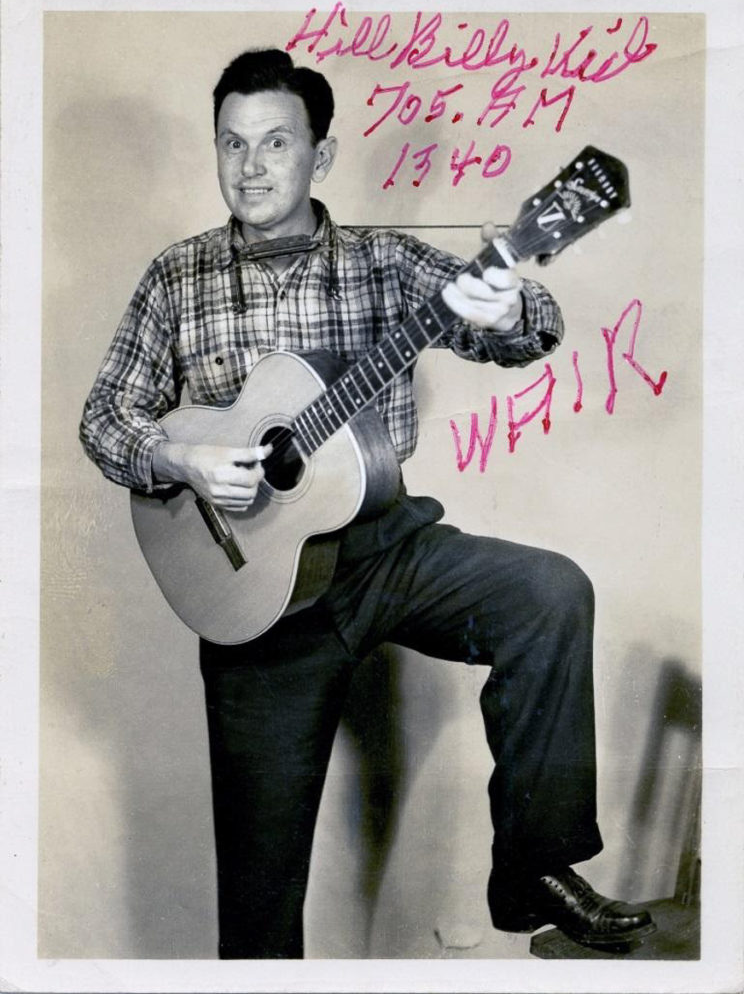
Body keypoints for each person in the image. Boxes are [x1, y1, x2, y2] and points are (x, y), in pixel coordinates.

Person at [80, 47, 656, 959]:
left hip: (387, 551)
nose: (252, 166)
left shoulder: (381, 261)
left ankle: (535, 866)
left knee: (550, 593)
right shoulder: (175, 277)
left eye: (276, 142)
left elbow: (527, 327)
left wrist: (504, 310)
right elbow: (106, 417)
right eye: (232, 144)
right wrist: (182, 459)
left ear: (324, 154)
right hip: (254, 602)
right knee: (259, 908)